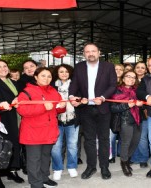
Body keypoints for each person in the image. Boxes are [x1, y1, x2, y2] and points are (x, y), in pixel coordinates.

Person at [69, 43, 117, 180]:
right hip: (86, 109)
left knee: (104, 139)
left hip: (103, 108)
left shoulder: (108, 66)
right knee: (89, 140)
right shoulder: (79, 67)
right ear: (84, 54)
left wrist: (102, 97)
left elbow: (113, 85)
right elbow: (74, 85)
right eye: (87, 51)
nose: (90, 53)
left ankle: (104, 167)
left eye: (93, 51)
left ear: (99, 52)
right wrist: (72, 97)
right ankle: (91, 167)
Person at [17, 67, 66, 188]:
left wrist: (61, 106)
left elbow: (58, 109)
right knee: (34, 160)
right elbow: (22, 110)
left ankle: (44, 177)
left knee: (45, 157)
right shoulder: (26, 92)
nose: (46, 78)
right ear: (36, 77)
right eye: (43, 76)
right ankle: (35, 183)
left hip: (49, 130)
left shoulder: (54, 91)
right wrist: (43, 107)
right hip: (33, 131)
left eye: (49, 76)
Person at [0, 60, 24, 186]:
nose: (3, 69)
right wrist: (0, 103)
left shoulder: (13, 81)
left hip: (16, 115)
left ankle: (12, 170)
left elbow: (21, 95)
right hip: (3, 117)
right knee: (4, 145)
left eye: (5, 66)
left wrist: (19, 99)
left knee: (15, 143)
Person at [110, 70, 143, 176]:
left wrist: (140, 104)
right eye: (128, 76)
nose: (131, 79)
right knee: (126, 143)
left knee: (135, 142)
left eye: (133, 77)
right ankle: (124, 164)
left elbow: (143, 104)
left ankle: (127, 159)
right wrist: (127, 105)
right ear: (123, 79)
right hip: (125, 120)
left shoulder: (137, 91)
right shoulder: (117, 91)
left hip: (137, 119)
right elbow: (113, 108)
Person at [51, 64, 80, 180]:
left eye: (66, 71)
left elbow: (81, 99)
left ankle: (72, 166)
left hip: (72, 119)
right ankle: (57, 168)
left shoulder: (75, 85)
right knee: (56, 147)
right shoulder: (52, 86)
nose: (64, 74)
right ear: (57, 74)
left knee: (72, 145)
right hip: (56, 120)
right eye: (61, 71)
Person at [130, 61, 149, 168]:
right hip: (131, 112)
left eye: (143, 67)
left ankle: (143, 158)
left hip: (144, 113)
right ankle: (134, 157)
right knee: (133, 137)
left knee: (142, 137)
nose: (140, 69)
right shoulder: (131, 80)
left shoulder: (148, 80)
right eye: (138, 67)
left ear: (146, 70)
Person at [109, 63, 125, 163]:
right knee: (112, 135)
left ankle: (120, 152)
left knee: (123, 134)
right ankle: (112, 155)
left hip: (124, 111)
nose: (118, 71)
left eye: (121, 69)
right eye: (116, 69)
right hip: (111, 112)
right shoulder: (107, 82)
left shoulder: (126, 83)